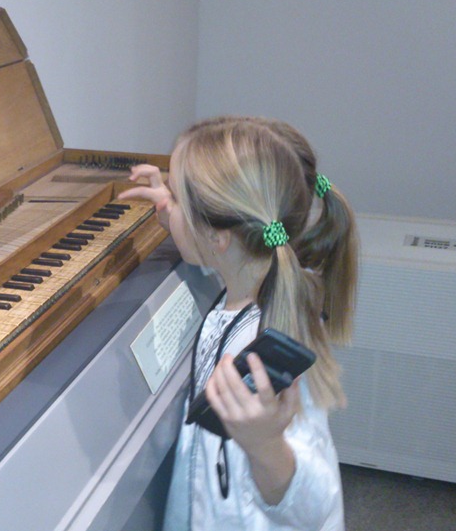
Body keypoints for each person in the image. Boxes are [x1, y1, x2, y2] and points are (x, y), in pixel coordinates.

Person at [118, 117, 358, 530]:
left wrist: (266, 446)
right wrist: (171, 213)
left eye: (178, 199)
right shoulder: (258, 273)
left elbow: (315, 506)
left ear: (218, 236)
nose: (170, 205)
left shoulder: (271, 340)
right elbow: (215, 247)